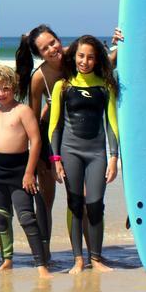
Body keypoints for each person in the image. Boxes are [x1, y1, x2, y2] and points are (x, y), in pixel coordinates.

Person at [15, 25, 121, 263]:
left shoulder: (73, 55)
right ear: (39, 54)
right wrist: (40, 159)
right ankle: (45, 254)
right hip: (51, 140)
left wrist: (119, 43)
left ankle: (90, 254)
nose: (53, 49)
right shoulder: (38, 78)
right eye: (45, 48)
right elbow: (31, 120)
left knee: (84, 200)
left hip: (81, 137)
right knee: (46, 200)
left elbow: (104, 61)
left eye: (53, 42)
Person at [48, 35, 119, 274]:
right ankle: (78, 259)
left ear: (96, 58)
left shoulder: (105, 85)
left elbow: (111, 123)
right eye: (81, 56)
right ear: (74, 56)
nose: (85, 61)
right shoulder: (63, 86)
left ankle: (96, 259)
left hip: (96, 153)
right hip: (70, 152)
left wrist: (113, 156)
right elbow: (54, 126)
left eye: (90, 57)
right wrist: (55, 159)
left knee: (96, 204)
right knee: (75, 204)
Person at [0, 65, 51, 278]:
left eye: (5, 88)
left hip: (19, 171)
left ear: (13, 88)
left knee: (26, 217)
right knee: (2, 217)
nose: (1, 94)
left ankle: (41, 265)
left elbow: (36, 140)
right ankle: (7, 259)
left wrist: (30, 172)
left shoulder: (23, 110)